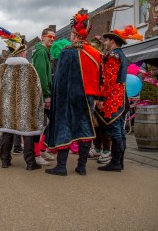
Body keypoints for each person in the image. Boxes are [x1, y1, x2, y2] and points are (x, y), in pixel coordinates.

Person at [44, 10, 102, 176]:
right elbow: (100, 78)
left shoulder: (67, 52)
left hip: (69, 97)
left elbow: (59, 81)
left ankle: (61, 166)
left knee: (65, 127)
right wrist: (98, 97)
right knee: (84, 129)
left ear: (74, 33)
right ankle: (81, 166)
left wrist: (55, 99)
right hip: (89, 98)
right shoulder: (96, 54)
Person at [0, 29, 45, 170]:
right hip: (25, 107)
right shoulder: (30, 69)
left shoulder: (1, 69)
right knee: (26, 133)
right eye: (25, 51)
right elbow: (37, 89)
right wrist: (36, 105)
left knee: (7, 132)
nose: (26, 53)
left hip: (6, 106)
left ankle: (5, 161)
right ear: (20, 52)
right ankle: (30, 163)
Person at [95, 25, 142, 172]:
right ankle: (118, 162)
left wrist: (101, 97)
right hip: (120, 96)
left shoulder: (114, 56)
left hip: (113, 97)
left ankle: (116, 163)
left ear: (113, 41)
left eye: (106, 40)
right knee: (119, 130)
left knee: (115, 130)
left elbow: (108, 79)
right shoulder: (120, 54)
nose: (104, 42)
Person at [32, 27, 56, 165]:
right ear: (43, 37)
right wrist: (46, 95)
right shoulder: (41, 52)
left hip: (45, 93)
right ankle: (37, 154)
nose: (52, 39)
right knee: (40, 124)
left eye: (54, 37)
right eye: (49, 36)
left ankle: (41, 149)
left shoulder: (45, 52)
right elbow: (41, 75)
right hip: (42, 95)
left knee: (49, 122)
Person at [88, 36, 112, 164]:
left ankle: (107, 150)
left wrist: (100, 98)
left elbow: (105, 80)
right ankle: (97, 147)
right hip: (94, 96)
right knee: (94, 124)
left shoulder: (103, 59)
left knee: (104, 124)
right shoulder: (91, 59)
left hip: (103, 98)